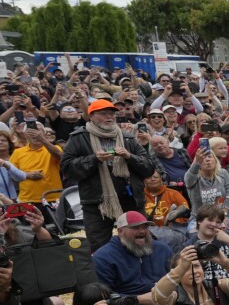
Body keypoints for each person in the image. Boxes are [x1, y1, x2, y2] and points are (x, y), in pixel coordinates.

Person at [59, 99, 157, 253]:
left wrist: (129, 157)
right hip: (97, 204)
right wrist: (93, 159)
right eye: (103, 114)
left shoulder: (127, 138)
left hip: (130, 201)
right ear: (91, 116)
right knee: (99, 248)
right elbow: (67, 168)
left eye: (112, 113)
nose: (109, 117)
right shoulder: (79, 137)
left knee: (139, 243)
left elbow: (149, 168)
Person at [9, 119, 63, 204]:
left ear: (44, 134)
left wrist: (43, 140)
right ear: (25, 135)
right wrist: (27, 175)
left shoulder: (54, 148)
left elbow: (61, 158)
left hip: (52, 198)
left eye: (38, 131)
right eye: (30, 131)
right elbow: (11, 174)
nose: (35, 134)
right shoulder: (17, 152)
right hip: (27, 200)